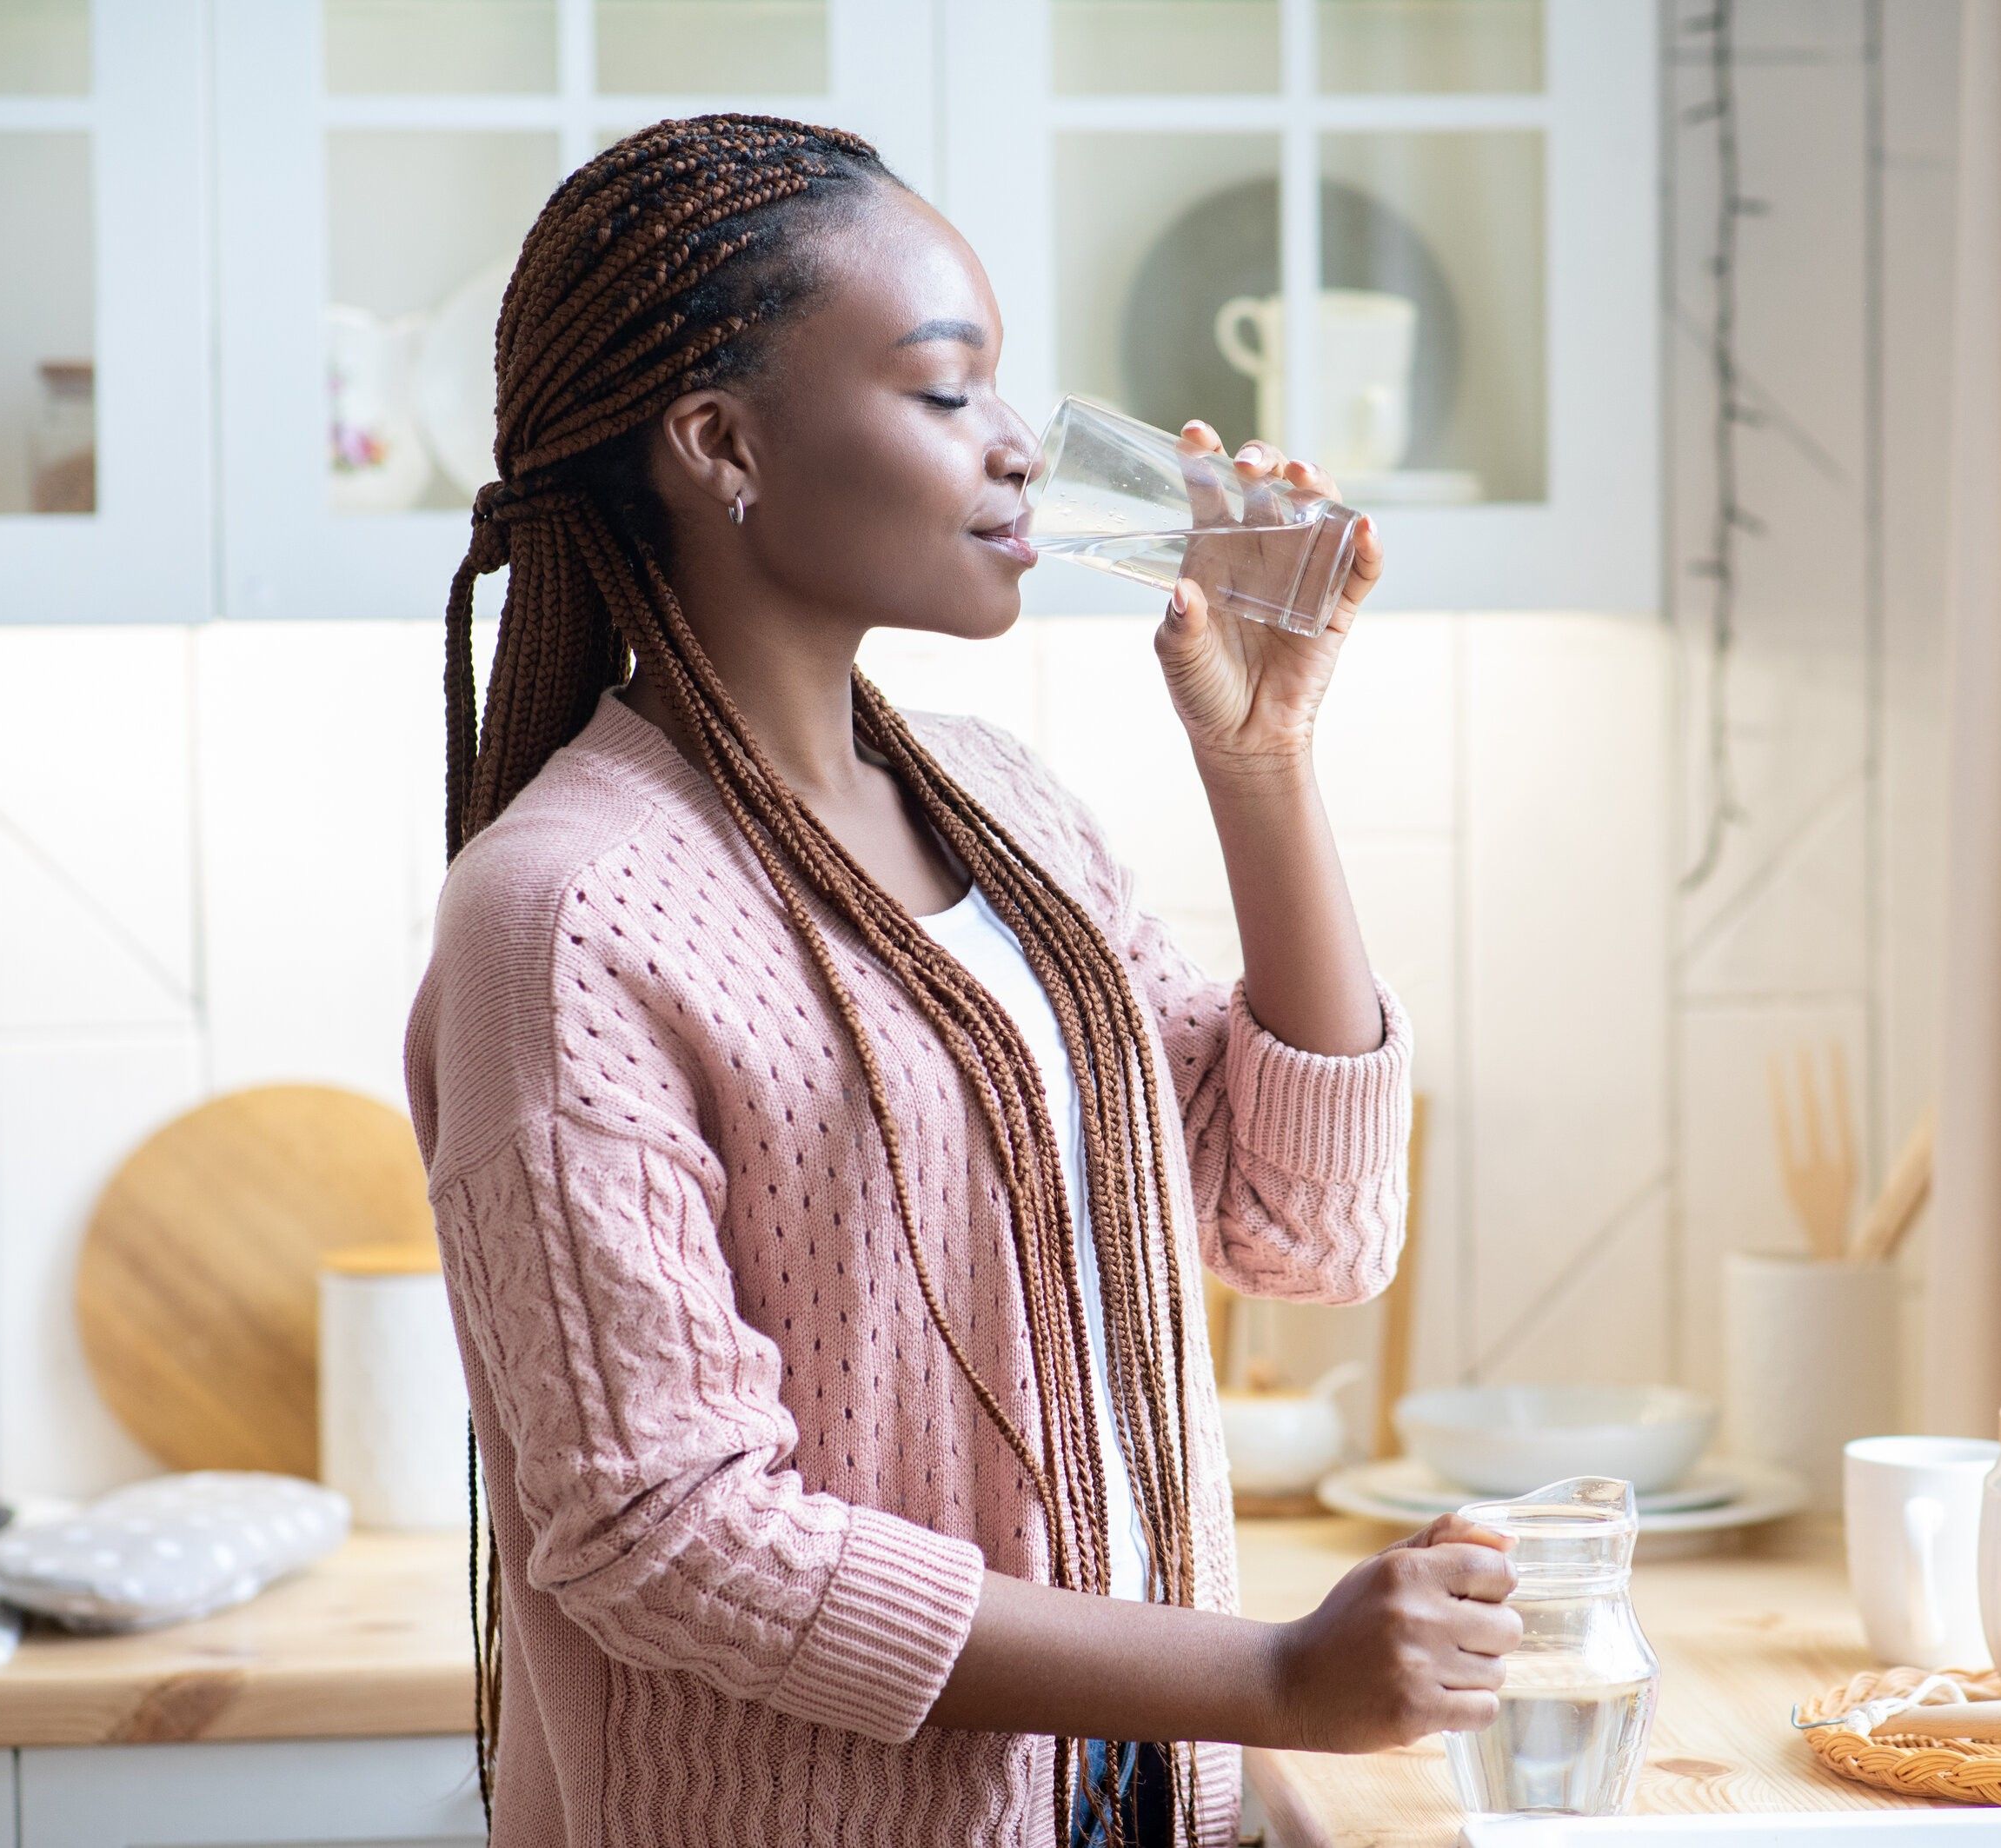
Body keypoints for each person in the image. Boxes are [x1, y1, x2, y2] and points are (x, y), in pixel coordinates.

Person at [405, 113, 1516, 1848]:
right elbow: (668, 1539)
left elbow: (1305, 1228)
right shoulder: (562, 912)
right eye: (947, 392)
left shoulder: (1001, 801)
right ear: (720, 445)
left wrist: (1263, 761)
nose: (1017, 451)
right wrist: (1267, 1680)